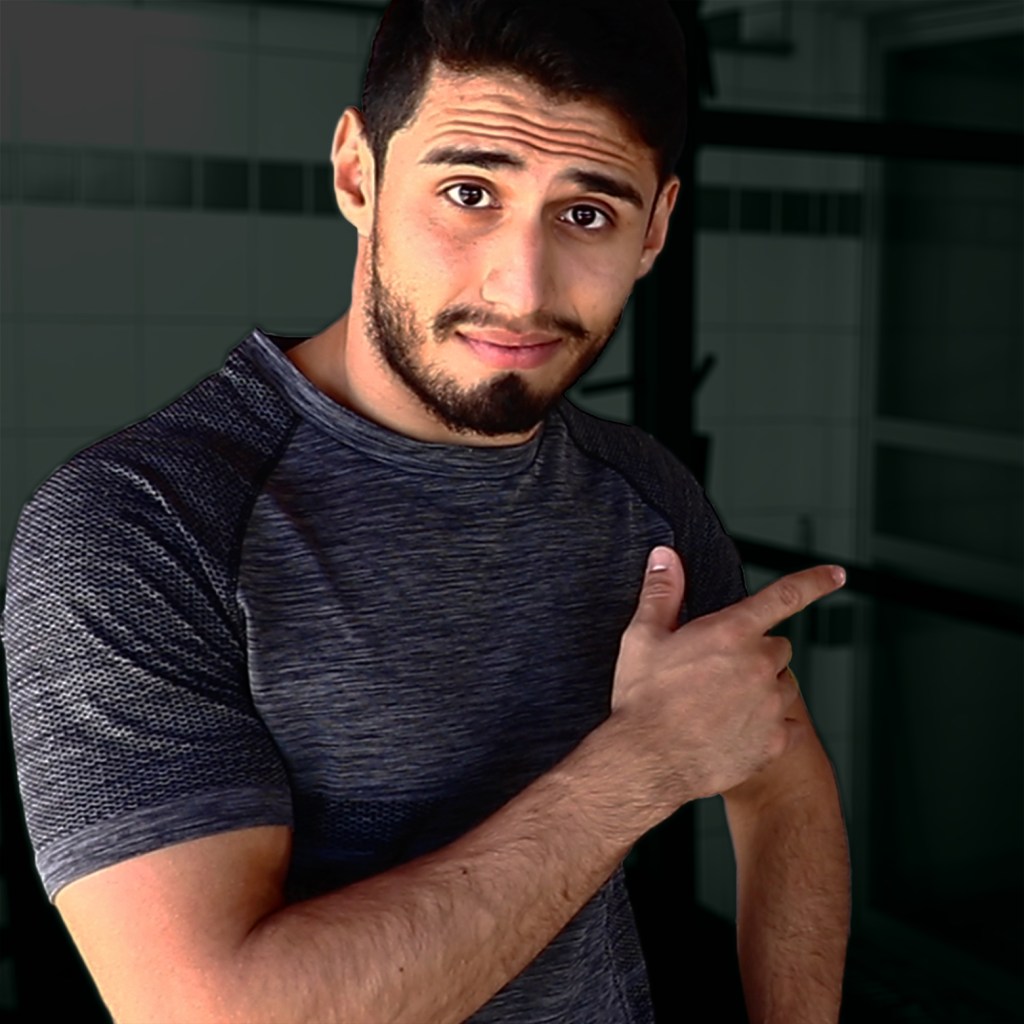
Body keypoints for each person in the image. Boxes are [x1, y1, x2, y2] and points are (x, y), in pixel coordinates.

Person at [3, 0, 850, 1021]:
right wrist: (645, 764)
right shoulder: (139, 526)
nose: (521, 289)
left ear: (655, 230)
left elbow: (783, 779)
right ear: (357, 174)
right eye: (469, 191)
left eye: (587, 214)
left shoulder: (641, 491)